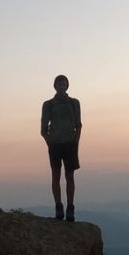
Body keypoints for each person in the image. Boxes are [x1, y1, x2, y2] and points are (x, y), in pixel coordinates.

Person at [41, 74, 82, 221]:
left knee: (69, 176)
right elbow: (43, 129)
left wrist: (76, 142)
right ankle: (59, 207)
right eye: (59, 83)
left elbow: (78, 125)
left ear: (67, 86)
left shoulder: (74, 103)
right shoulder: (48, 105)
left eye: (63, 83)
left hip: (70, 144)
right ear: (55, 86)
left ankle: (70, 208)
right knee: (56, 176)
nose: (61, 86)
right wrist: (50, 143)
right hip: (55, 145)